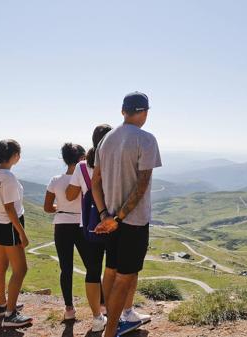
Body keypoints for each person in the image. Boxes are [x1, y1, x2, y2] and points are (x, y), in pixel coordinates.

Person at [93, 92, 161, 337]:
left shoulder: (106, 139)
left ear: (123, 111)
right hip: (132, 221)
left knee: (111, 270)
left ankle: (108, 327)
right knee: (125, 277)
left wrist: (104, 215)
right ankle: (111, 332)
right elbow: (141, 185)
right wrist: (119, 218)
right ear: (144, 112)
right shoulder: (146, 139)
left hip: (110, 220)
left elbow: (95, 181)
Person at [65, 124, 111, 332]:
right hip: (113, 225)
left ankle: (96, 317)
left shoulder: (82, 167)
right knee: (114, 270)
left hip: (90, 227)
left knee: (93, 271)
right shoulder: (113, 165)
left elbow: (70, 195)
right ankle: (114, 310)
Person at [0, 139, 33, 327]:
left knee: (1, 266)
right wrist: (21, 233)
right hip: (9, 225)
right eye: (18, 154)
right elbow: (10, 208)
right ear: (14, 156)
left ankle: (2, 306)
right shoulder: (9, 178)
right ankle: (10, 315)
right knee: (20, 269)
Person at [43, 143, 88, 321]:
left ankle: (69, 309)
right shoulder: (84, 179)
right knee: (91, 265)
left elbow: (47, 207)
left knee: (66, 268)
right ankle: (101, 303)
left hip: (61, 225)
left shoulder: (55, 180)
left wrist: (61, 207)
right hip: (81, 224)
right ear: (80, 159)